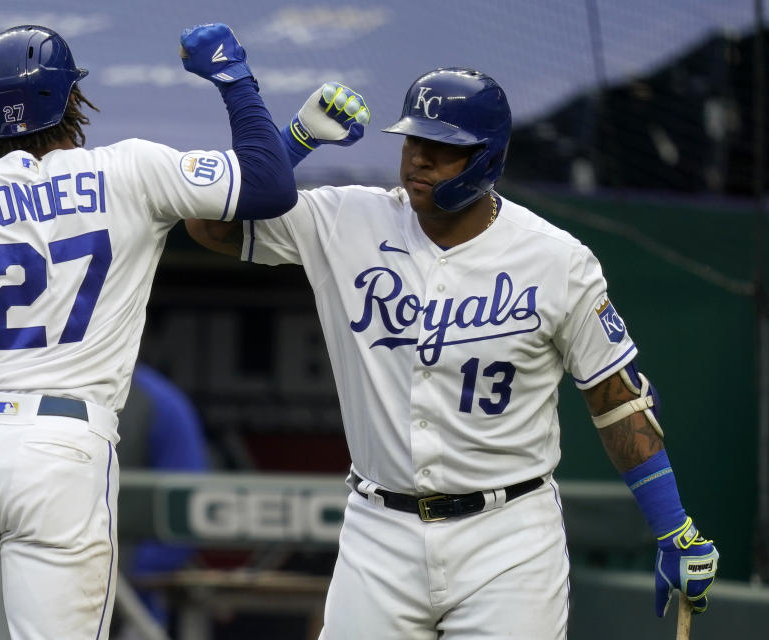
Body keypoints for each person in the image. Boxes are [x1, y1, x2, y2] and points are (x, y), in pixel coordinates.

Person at [184, 68, 718, 638]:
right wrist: (294, 141)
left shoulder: (556, 259)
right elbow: (208, 226)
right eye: (412, 140)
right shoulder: (345, 218)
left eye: (442, 148)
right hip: (378, 531)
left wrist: (672, 525)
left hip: (508, 537)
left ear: (487, 158)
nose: (418, 159)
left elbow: (617, 399)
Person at [0, 22, 296, 640]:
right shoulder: (131, 168)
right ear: (71, 100)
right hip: (58, 446)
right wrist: (232, 76)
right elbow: (269, 184)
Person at [112, 362, 209, 637]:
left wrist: (115, 567)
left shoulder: (157, 400)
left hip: (131, 604)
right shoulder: (29, 390)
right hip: (34, 584)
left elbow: (188, 513)